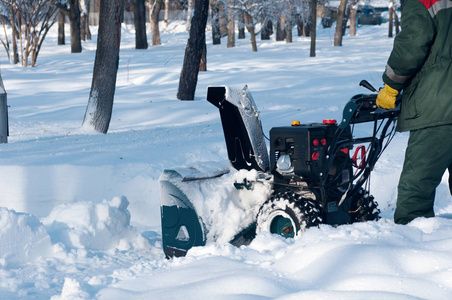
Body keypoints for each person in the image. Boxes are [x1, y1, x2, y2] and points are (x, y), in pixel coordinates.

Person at [376, 0, 452, 224]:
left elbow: (416, 36)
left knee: (416, 189)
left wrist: (391, 84)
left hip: (440, 101)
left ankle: (412, 248)